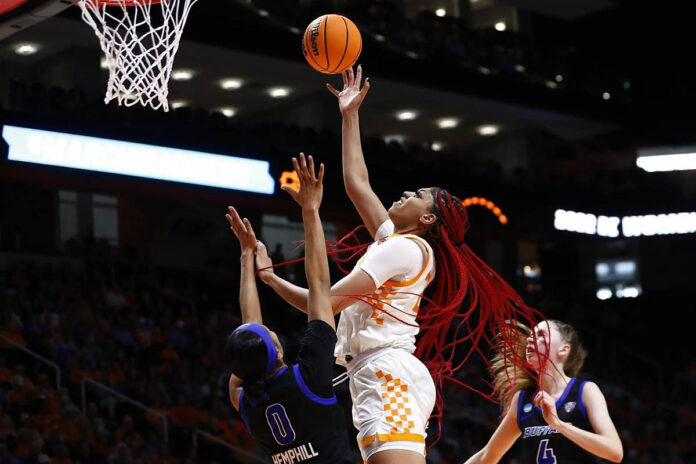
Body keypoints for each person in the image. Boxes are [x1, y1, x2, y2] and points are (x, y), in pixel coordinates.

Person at [255, 66, 541, 464]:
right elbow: (357, 183)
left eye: (419, 194)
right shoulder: (399, 242)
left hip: (386, 371)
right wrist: (349, 115)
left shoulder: (404, 250)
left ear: (428, 220)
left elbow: (325, 303)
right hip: (378, 371)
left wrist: (271, 281)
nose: (407, 192)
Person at [224, 153, 352, 464]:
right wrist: (310, 210)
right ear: (277, 348)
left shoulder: (245, 400)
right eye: (268, 331)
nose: (265, 325)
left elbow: (250, 327)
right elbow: (320, 286)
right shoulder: (308, 378)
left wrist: (246, 257)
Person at [463, 320, 623, 464]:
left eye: (541, 335)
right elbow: (487, 456)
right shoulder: (522, 399)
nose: (531, 339)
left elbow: (614, 452)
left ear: (564, 349)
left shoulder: (585, 390)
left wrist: (557, 424)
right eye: (531, 335)